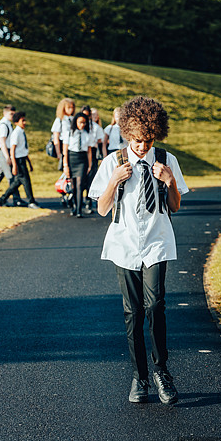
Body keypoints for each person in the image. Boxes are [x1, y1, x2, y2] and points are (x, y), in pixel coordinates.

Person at [89, 95, 189, 405]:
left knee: (156, 305)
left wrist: (170, 181)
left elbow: (174, 205)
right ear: (127, 133)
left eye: (148, 139)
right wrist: (113, 183)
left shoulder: (166, 159)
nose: (143, 146)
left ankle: (161, 372)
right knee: (132, 312)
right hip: (125, 244)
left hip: (157, 241)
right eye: (137, 139)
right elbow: (102, 210)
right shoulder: (113, 162)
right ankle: (139, 377)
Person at [0, 111, 40, 209]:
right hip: (18, 160)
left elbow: (24, 150)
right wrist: (14, 165)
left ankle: (2, 199)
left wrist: (29, 163)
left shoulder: (21, 132)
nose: (24, 122)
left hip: (23, 159)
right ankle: (31, 201)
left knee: (17, 183)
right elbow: (13, 150)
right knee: (26, 181)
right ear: (16, 122)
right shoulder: (16, 133)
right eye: (22, 120)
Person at [63, 111, 93, 218]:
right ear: (75, 122)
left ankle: (79, 209)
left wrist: (89, 165)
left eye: (84, 123)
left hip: (82, 159)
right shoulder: (69, 133)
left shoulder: (88, 134)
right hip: (72, 158)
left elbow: (89, 151)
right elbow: (65, 150)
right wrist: (65, 165)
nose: (82, 125)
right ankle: (74, 207)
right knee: (74, 185)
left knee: (80, 184)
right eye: (80, 122)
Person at [51, 98, 75, 171]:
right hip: (63, 146)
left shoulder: (73, 119)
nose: (71, 109)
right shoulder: (59, 120)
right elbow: (56, 138)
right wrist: (58, 153)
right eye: (69, 107)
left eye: (72, 107)